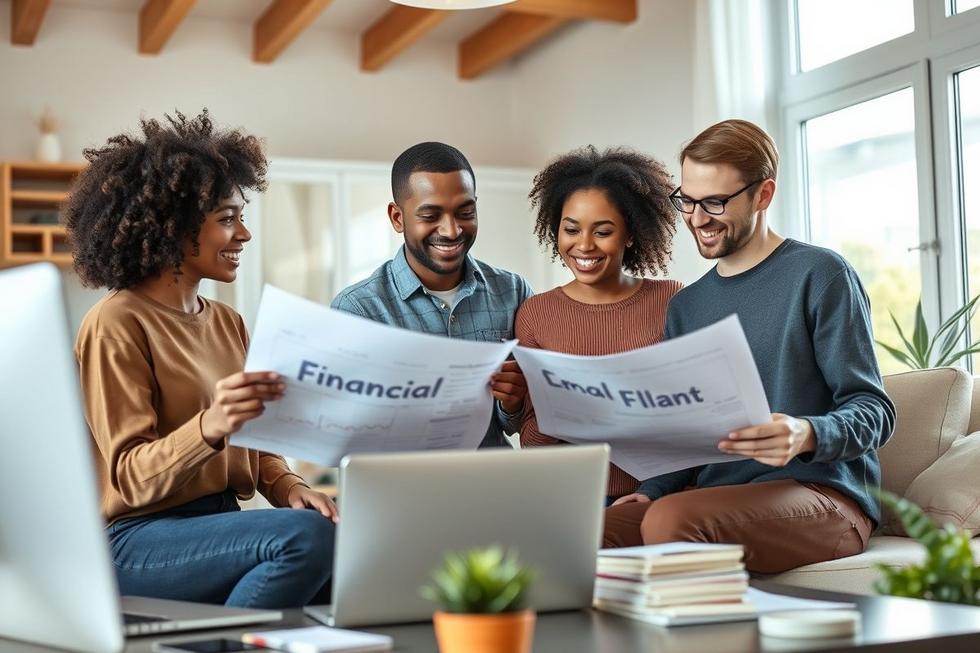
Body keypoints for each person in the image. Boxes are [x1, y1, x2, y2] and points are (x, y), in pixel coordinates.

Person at [66, 110, 336, 608]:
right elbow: (130, 476)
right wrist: (210, 424)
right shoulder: (116, 323)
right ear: (174, 228)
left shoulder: (227, 322)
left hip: (219, 521)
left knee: (334, 544)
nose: (244, 235)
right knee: (304, 540)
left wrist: (290, 487)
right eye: (227, 219)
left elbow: (258, 441)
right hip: (137, 538)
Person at [603, 119, 896, 573]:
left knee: (670, 520)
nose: (697, 219)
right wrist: (655, 487)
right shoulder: (688, 305)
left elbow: (874, 411)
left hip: (823, 496)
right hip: (719, 499)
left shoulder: (820, 274)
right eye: (687, 200)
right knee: (591, 531)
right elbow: (691, 430)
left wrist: (806, 432)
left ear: (763, 195)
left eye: (715, 202)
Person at [331, 142, 532, 447]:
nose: (451, 231)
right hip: (399, 490)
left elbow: (520, 422)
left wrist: (514, 402)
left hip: (493, 487)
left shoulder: (513, 292)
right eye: (430, 216)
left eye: (465, 212)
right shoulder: (358, 310)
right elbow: (340, 429)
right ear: (397, 218)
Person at [515, 145, 682, 503]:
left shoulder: (673, 301)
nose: (584, 246)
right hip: (570, 499)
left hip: (660, 497)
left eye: (603, 231)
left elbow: (691, 423)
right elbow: (530, 442)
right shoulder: (535, 314)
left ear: (631, 234)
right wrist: (558, 406)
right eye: (571, 229)